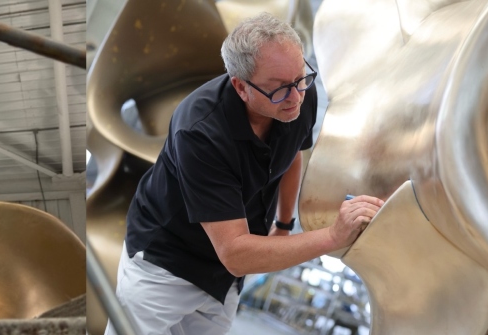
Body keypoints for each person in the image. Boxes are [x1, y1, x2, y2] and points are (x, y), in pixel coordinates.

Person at [106, 13, 385, 335]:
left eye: (300, 79)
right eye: (280, 88)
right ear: (241, 87)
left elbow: (291, 157)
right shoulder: (200, 133)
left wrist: (283, 225)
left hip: (227, 273)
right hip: (165, 264)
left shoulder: (295, 97)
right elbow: (236, 253)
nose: (295, 97)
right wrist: (334, 237)